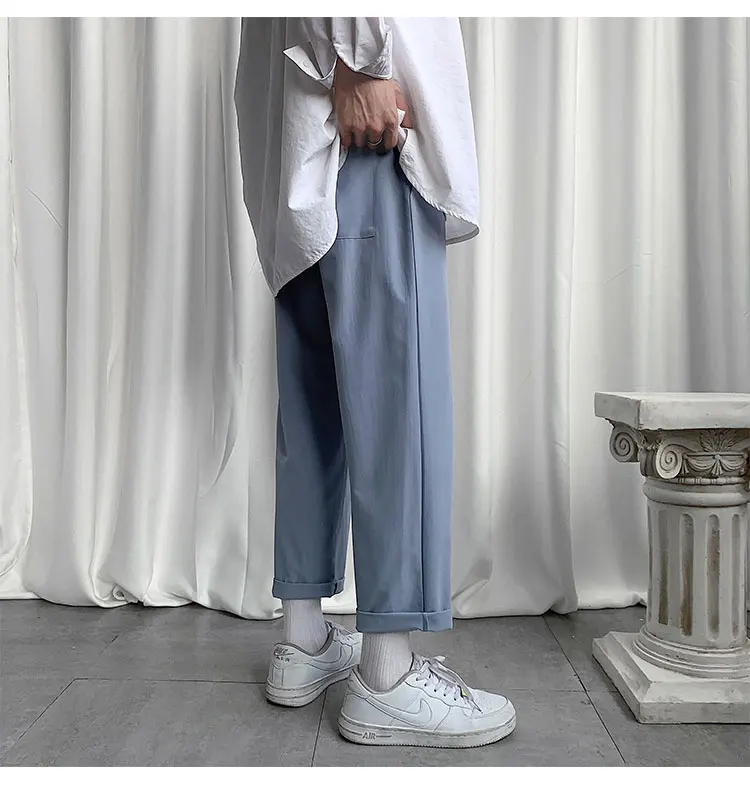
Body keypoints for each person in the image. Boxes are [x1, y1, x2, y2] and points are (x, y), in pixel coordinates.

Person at [234, 17, 516, 748]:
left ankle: (303, 641)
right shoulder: (360, 70)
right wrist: (359, 64)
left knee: (314, 398)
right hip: (364, 114)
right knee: (399, 402)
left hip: (299, 125)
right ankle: (388, 676)